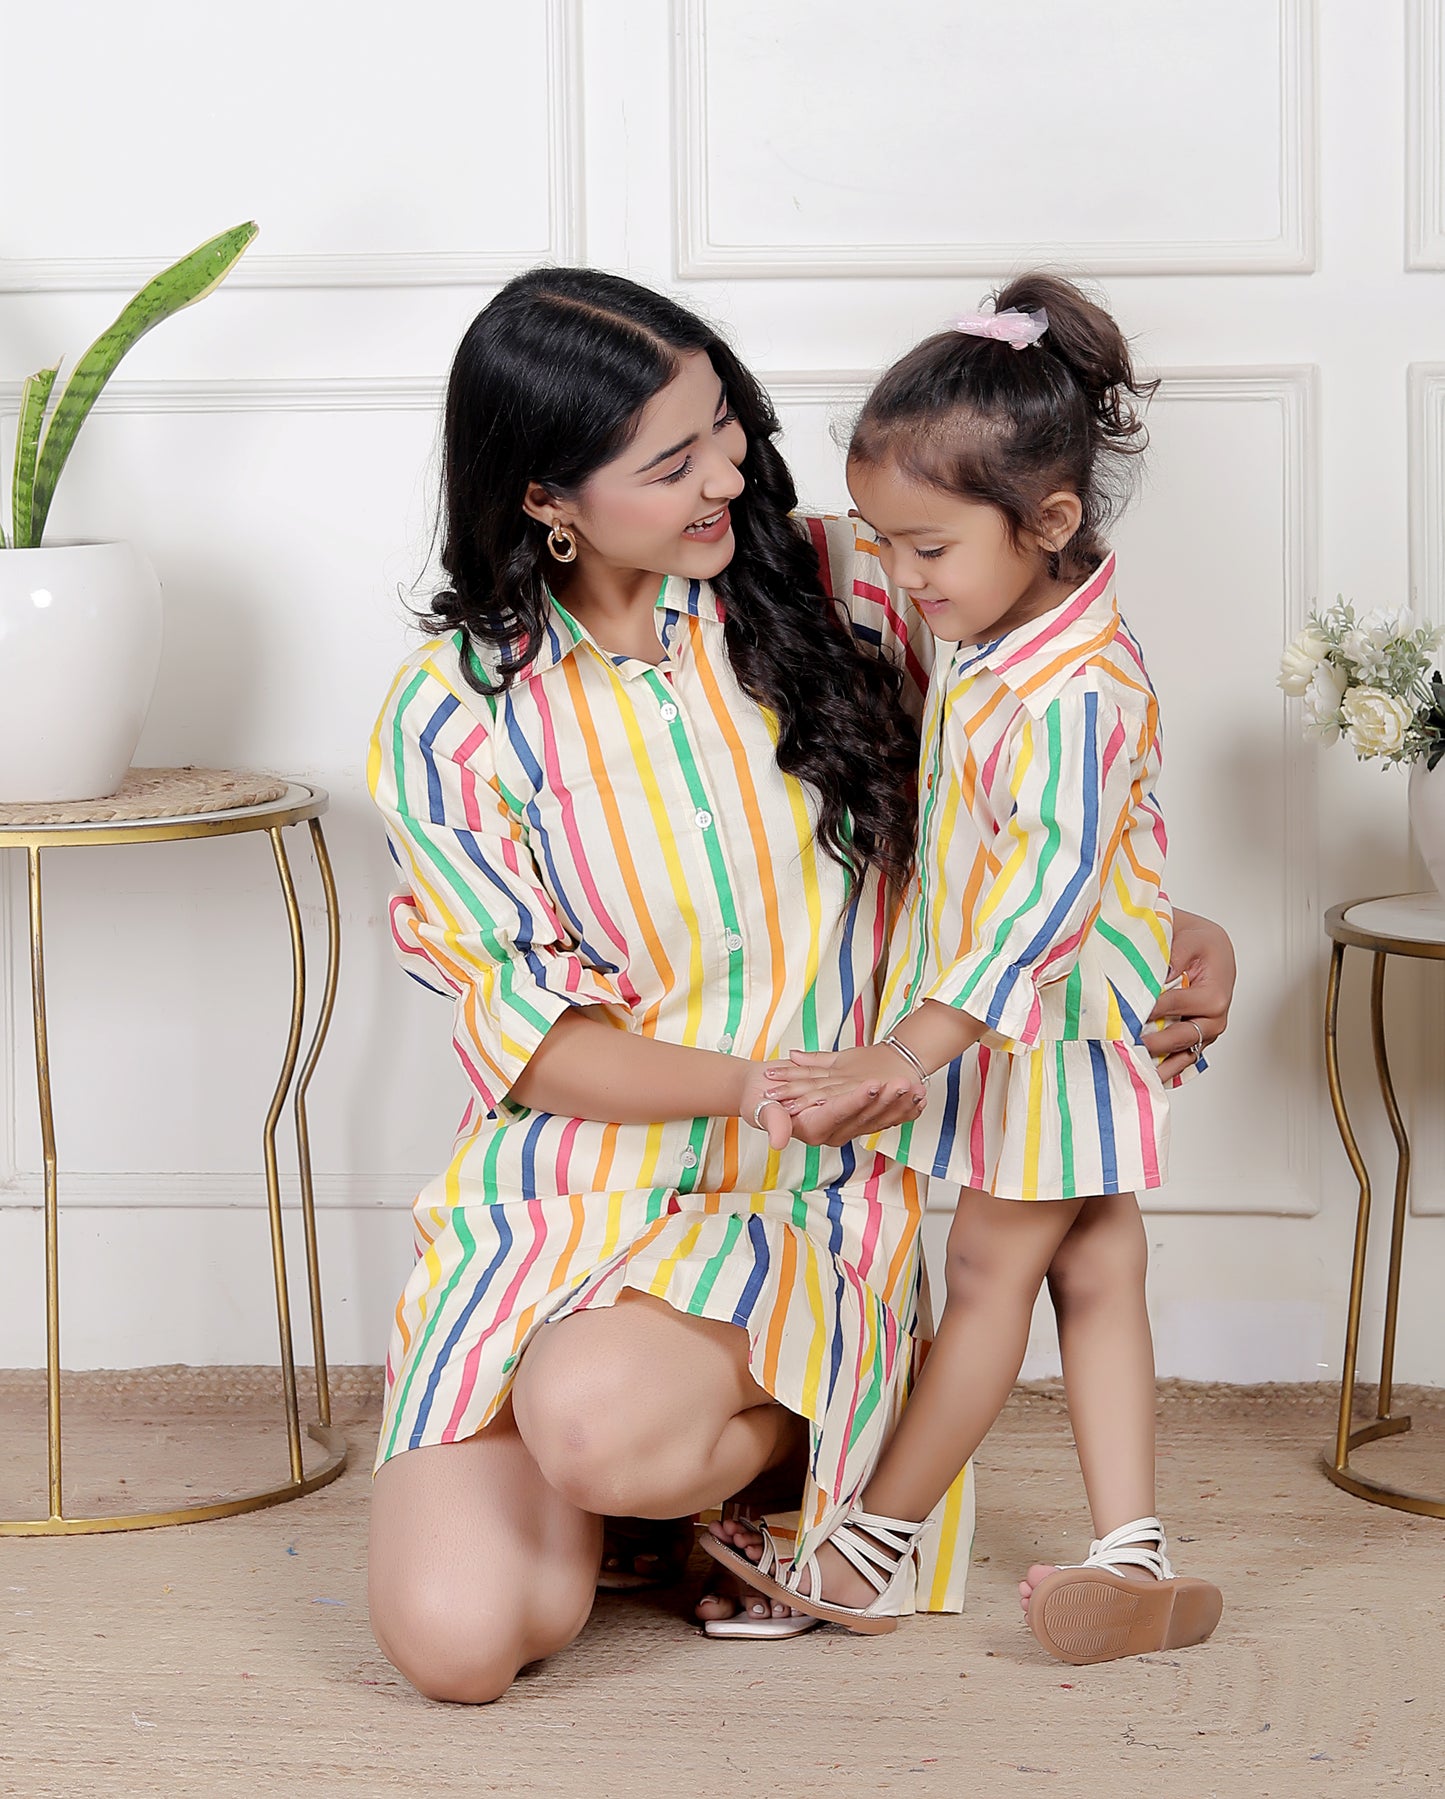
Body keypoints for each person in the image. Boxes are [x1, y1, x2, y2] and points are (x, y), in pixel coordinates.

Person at [365, 266, 1236, 1702]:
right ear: (545, 498)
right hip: (566, 1184)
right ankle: (647, 1483)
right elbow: (521, 1041)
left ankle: (760, 1472)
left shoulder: (861, 576)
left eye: (727, 424)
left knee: (589, 1420)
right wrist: (778, 1086)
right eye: (671, 461)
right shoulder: (454, 711)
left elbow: (1036, 786)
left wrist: (1174, 923)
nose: (727, 473)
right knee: (461, 1645)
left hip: (809, 1197)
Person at [705, 275, 1225, 1666]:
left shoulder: (1077, 687)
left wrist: (906, 1050)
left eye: (926, 548)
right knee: (1097, 1265)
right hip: (1045, 1029)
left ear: (1048, 525)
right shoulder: (998, 641)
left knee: (994, 1269)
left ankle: (867, 1544)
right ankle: (1136, 1553)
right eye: (884, 543)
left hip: (1049, 1033)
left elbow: (1044, 897)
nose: (902, 578)